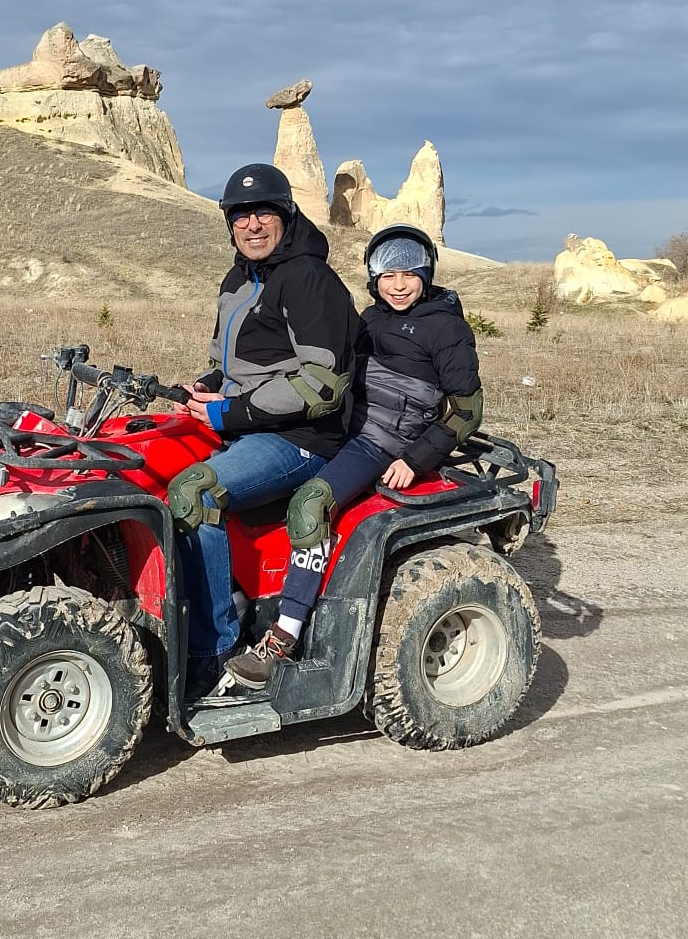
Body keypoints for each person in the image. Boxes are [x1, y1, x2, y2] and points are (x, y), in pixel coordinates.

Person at [222, 222, 484, 690]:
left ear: (426, 274)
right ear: (373, 279)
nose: (398, 285)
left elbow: (466, 412)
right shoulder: (370, 318)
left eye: (409, 274)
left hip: (381, 443)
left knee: (310, 504)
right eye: (387, 276)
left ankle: (283, 637)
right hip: (342, 429)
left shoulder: (447, 328)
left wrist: (415, 459)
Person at [170, 162, 359, 692]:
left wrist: (228, 412)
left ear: (286, 216)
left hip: (303, 439)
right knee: (141, 465)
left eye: (263, 213)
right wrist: (205, 386)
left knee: (194, 493)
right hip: (248, 425)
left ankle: (213, 649)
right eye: (240, 216)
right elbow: (232, 364)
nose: (252, 225)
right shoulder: (239, 278)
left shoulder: (309, 280)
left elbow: (322, 383)